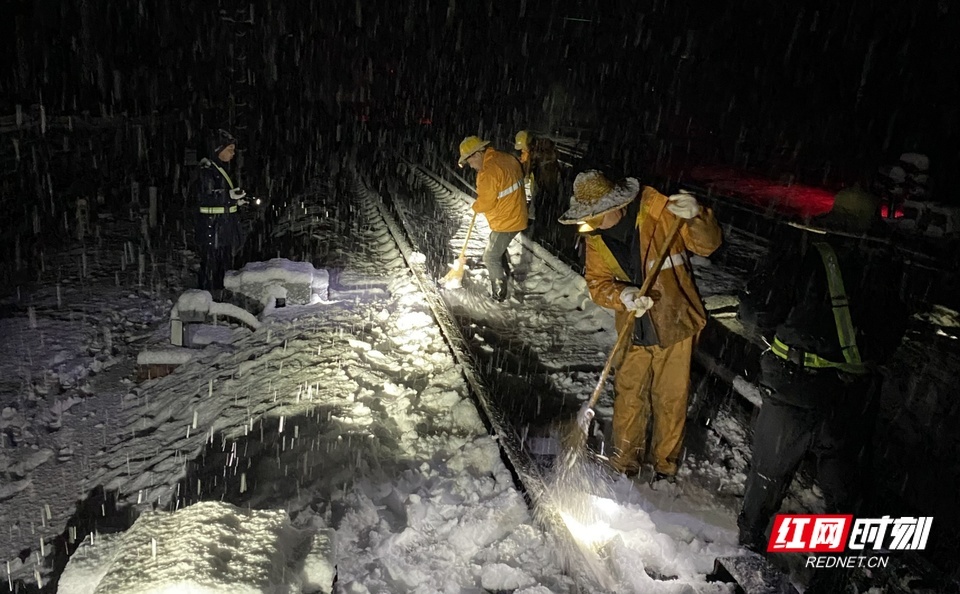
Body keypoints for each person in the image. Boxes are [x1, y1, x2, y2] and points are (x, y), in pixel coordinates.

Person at [736, 186, 909, 561]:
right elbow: (890, 334)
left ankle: (750, 544)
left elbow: (754, 313)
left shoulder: (803, 258)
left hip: (795, 388)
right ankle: (837, 561)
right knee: (843, 488)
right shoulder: (886, 268)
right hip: (850, 395)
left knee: (769, 472)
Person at [559, 170, 722, 481]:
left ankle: (664, 467)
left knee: (670, 397)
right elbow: (597, 283)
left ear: (617, 207)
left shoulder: (661, 213)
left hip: (674, 321)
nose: (589, 225)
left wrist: (697, 217)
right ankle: (625, 465)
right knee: (629, 394)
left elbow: (707, 246)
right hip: (634, 326)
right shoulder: (595, 237)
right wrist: (624, 294)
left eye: (595, 217)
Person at [458, 135, 528, 301]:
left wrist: (476, 206)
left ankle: (499, 294)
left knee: (490, 257)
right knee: (497, 250)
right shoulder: (505, 157)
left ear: (476, 154)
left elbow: (486, 203)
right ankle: (503, 275)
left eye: (470, 162)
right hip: (517, 212)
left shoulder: (487, 171)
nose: (472, 166)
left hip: (506, 221)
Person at [196, 128, 248, 293]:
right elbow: (206, 197)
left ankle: (218, 296)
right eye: (229, 149)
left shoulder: (219, 169)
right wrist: (229, 197)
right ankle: (208, 299)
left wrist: (235, 200)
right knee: (212, 265)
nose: (233, 153)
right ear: (218, 149)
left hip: (222, 227)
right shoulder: (207, 170)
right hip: (213, 227)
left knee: (223, 265)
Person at [514, 130, 561, 237]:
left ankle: (539, 232)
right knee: (545, 206)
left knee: (540, 206)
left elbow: (526, 172)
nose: (522, 150)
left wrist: (523, 165)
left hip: (544, 184)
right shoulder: (543, 148)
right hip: (550, 183)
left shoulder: (534, 153)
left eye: (523, 148)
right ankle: (546, 230)